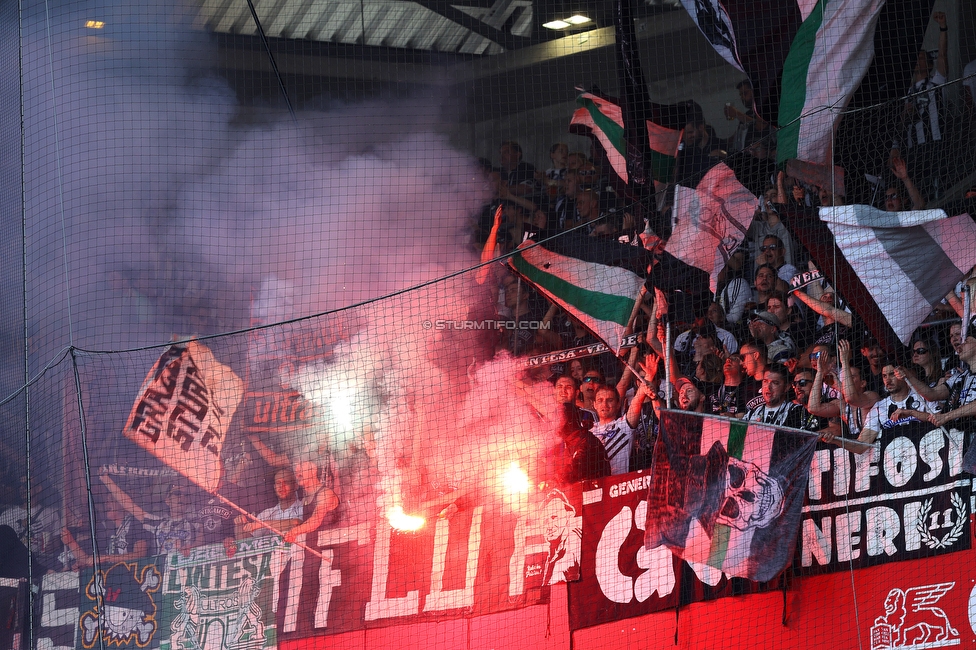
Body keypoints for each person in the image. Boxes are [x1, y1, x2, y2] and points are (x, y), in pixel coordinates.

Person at [821, 360, 938, 454]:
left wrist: (912, 413)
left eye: (892, 374)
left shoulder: (922, 396)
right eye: (884, 376)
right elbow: (861, 446)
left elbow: (940, 418)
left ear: (903, 373)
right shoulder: (878, 408)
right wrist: (836, 440)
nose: (887, 380)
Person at [100, 473, 197, 555]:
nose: (182, 497)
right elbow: (128, 504)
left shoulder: (195, 524)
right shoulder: (159, 523)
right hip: (163, 573)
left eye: (186, 495)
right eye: (178, 493)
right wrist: (106, 479)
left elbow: (205, 541)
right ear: (167, 500)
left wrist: (192, 547)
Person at [60, 495, 151, 569]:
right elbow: (89, 559)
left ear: (122, 504)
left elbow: (140, 555)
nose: (106, 504)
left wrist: (106, 558)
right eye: (106, 501)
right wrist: (71, 543)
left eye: (111, 500)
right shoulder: (111, 533)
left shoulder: (136, 524)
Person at [544, 402, 611, 486]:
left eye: (557, 419)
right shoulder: (568, 445)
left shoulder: (587, 441)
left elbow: (576, 469)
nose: (553, 424)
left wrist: (554, 481)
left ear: (569, 421)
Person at [591, 383, 651, 475]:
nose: (604, 404)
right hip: (595, 484)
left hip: (618, 483)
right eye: (600, 400)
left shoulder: (623, 425)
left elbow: (638, 400)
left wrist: (649, 376)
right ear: (594, 404)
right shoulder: (587, 432)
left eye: (610, 400)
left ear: (618, 404)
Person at [236, 468, 303, 537]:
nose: (281, 486)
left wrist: (262, 524)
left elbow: (297, 523)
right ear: (274, 487)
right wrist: (240, 526)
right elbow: (247, 541)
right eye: (278, 483)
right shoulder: (266, 514)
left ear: (295, 485)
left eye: (286, 482)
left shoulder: (303, 507)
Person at [284, 461, 339, 543]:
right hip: (312, 549)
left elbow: (315, 522)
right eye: (295, 465)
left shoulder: (325, 493)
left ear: (314, 469)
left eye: (302, 464)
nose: (296, 469)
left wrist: (294, 531)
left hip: (333, 548)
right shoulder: (303, 499)